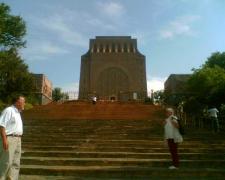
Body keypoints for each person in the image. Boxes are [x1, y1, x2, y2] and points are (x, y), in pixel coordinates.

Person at [0, 95, 25, 180]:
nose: (24, 103)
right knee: (6, 162)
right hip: (9, 139)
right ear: (17, 102)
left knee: (16, 163)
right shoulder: (9, 110)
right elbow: (2, 125)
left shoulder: (18, 112)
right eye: (23, 101)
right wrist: (4, 140)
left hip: (18, 139)